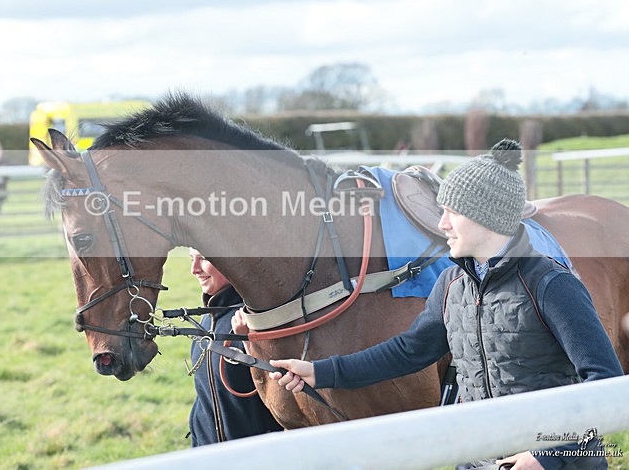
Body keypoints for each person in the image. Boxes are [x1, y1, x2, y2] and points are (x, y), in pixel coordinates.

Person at [247, 139, 623, 470]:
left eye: (451, 213)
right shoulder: (451, 284)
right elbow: (408, 352)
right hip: (481, 459)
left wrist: (550, 455)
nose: (441, 224)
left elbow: (603, 383)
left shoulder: (553, 285)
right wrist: (320, 372)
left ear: (487, 218)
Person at [187, 248, 282, 446]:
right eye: (191, 259)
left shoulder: (258, 320)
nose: (194, 269)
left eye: (203, 259)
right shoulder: (206, 321)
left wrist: (253, 343)